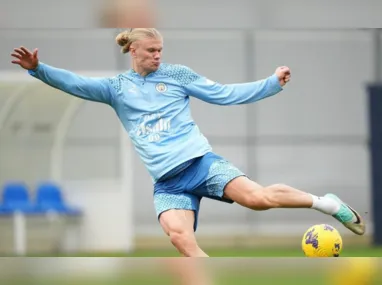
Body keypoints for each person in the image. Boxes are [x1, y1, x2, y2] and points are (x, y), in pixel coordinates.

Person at [11, 28, 365, 257]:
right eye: (151, 50)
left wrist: (271, 82)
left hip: (201, 164)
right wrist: (39, 69)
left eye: (161, 50)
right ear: (133, 51)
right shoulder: (116, 88)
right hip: (168, 182)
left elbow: (224, 94)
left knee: (258, 200)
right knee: (181, 239)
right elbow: (75, 83)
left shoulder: (177, 75)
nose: (157, 56)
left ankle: (327, 204)